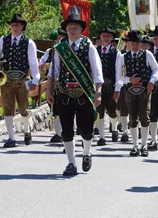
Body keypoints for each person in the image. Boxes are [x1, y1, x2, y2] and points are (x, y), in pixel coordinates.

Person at [47, 11, 103, 176]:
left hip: (84, 93)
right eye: (69, 27)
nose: (72, 30)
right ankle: (71, 163)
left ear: (81, 29)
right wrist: (49, 91)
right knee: (66, 130)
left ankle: (86, 153)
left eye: (75, 27)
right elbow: (53, 72)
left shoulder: (89, 46)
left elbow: (97, 71)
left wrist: (98, 92)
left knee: (86, 130)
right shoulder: (60, 47)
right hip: (64, 93)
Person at [0, 13, 40, 148]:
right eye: (12, 25)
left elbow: (33, 62)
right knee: (7, 107)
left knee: (23, 108)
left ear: (22, 27)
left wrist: (35, 79)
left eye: (17, 25)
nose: (14, 27)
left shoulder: (29, 42)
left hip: (22, 79)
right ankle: (11, 138)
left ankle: (26, 130)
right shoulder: (4, 39)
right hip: (6, 79)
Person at [117, 30, 158, 156]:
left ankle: (144, 145)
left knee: (144, 117)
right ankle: (135, 145)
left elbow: (156, 69)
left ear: (140, 43)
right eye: (132, 43)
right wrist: (129, 79)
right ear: (128, 43)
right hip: (129, 91)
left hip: (145, 90)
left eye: (137, 43)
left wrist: (152, 81)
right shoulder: (123, 57)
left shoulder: (147, 54)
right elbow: (119, 76)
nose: (135, 46)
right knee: (132, 117)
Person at [39, 29, 67, 143]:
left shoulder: (69, 51)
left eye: (62, 38)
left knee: (67, 109)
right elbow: (42, 62)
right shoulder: (51, 51)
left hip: (67, 84)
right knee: (54, 109)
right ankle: (57, 133)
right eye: (58, 38)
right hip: (54, 84)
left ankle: (67, 131)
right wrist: (42, 65)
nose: (60, 40)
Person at [96, 25, 122, 145]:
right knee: (99, 111)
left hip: (111, 87)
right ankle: (102, 137)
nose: (105, 38)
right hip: (98, 87)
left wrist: (117, 88)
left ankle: (114, 128)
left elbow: (119, 72)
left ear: (111, 38)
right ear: (100, 37)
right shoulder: (95, 51)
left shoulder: (117, 53)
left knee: (112, 111)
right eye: (103, 36)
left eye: (108, 36)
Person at [118, 32, 133, 142]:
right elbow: (118, 72)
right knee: (123, 109)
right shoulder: (121, 55)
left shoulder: (141, 54)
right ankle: (125, 132)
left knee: (137, 109)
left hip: (138, 86)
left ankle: (136, 129)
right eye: (128, 42)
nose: (129, 44)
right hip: (124, 85)